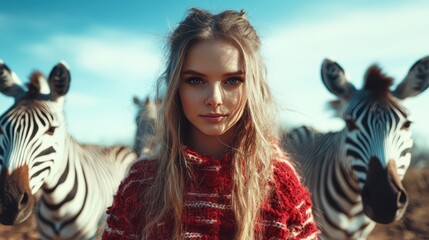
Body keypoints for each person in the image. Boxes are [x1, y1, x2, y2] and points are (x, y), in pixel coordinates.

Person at [103, 8, 319, 240]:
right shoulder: (141, 183)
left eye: (232, 80)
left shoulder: (279, 184)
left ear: (252, 88)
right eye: (196, 80)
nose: (214, 98)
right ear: (176, 87)